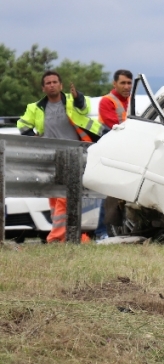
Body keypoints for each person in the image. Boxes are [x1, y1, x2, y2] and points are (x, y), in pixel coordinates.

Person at [17, 71, 107, 242]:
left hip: (74, 155)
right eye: (48, 83)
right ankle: (71, 236)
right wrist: (32, 137)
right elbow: (22, 124)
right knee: (55, 198)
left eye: (55, 82)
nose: (52, 85)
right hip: (50, 157)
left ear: (61, 85)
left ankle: (56, 237)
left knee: (66, 196)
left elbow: (85, 106)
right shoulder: (35, 108)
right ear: (43, 88)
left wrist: (78, 96)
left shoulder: (72, 100)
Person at [95, 69, 133, 240]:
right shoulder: (107, 101)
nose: (127, 86)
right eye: (123, 83)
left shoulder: (130, 102)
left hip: (126, 152)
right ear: (115, 83)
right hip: (111, 153)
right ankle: (101, 231)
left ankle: (119, 230)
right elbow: (114, 125)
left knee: (122, 194)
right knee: (109, 193)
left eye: (129, 82)